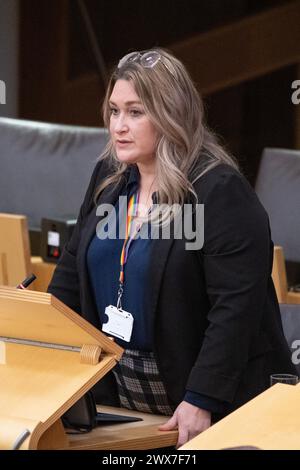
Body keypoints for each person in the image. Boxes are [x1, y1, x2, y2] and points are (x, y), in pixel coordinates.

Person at [48, 48, 296, 447]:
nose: (118, 127)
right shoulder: (110, 177)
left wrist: (202, 397)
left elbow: (235, 308)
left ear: (171, 115)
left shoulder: (218, 192)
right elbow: (71, 274)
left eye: (135, 112)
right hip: (120, 394)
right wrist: (41, 336)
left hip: (212, 402)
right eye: (114, 111)